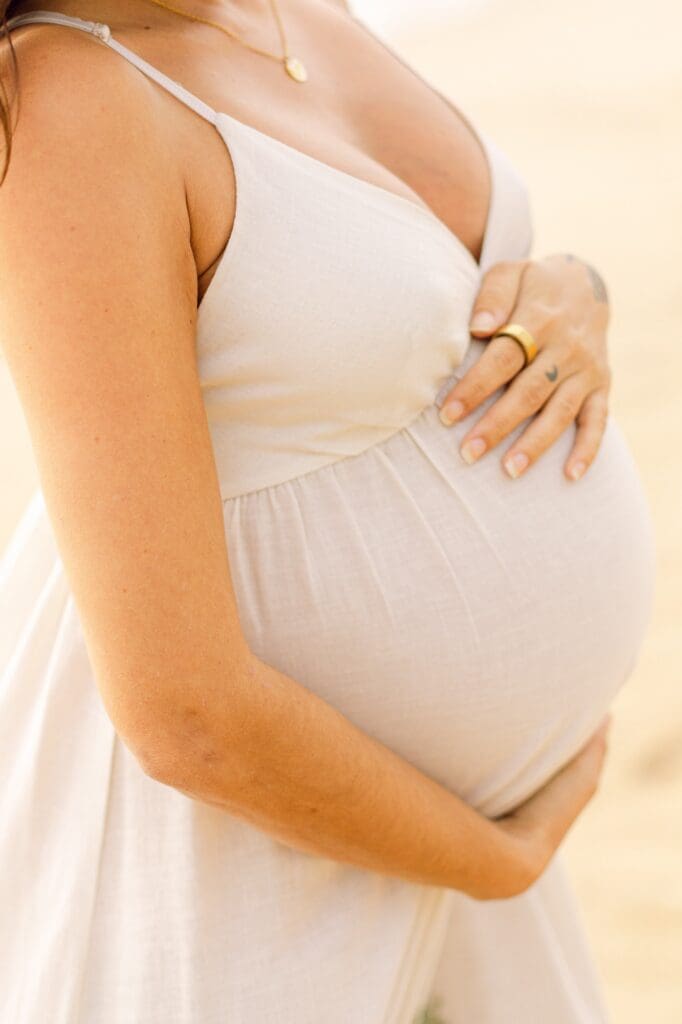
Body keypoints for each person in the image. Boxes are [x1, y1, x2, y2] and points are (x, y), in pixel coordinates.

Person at [0, 1, 655, 1021]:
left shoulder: (283, 6)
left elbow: (411, 290)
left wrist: (578, 290)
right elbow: (184, 715)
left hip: (429, 825)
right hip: (240, 855)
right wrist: (494, 860)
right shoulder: (68, 100)